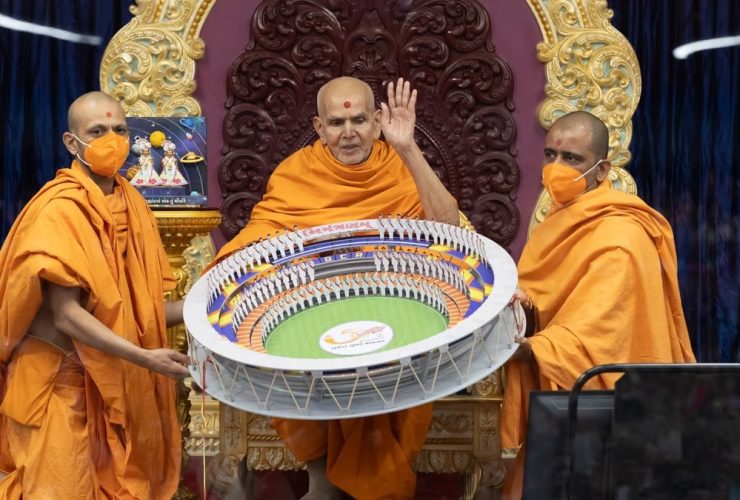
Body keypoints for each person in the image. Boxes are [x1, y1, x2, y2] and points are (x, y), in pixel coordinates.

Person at [214, 76, 459, 499]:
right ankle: (322, 480)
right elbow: (254, 250)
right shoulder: (296, 175)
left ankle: (369, 480)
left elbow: (448, 230)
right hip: (311, 326)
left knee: (397, 360)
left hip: (394, 320)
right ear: (318, 126)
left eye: (360, 120)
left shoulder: (399, 167)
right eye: (336, 122)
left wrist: (408, 148)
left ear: (378, 122)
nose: (348, 132)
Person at [0, 92, 191, 498]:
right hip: (58, 385)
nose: (113, 140)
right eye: (98, 131)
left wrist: (207, 311)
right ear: (72, 143)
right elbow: (67, 315)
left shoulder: (131, 203)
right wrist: (144, 357)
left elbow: (134, 312)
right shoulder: (60, 208)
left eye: (120, 130)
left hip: (108, 381)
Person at [499, 111, 696, 498]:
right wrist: (526, 311)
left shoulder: (622, 235)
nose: (556, 167)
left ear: (602, 168)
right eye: (550, 154)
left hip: (612, 411)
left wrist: (529, 349)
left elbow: (603, 335)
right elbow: (555, 303)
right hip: (558, 404)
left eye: (572, 158)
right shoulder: (558, 221)